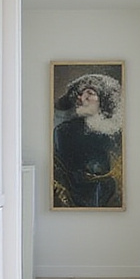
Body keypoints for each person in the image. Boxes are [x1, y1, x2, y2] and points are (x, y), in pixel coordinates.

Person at [53, 73, 123, 208]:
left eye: (89, 93)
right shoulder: (64, 132)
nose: (80, 98)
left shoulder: (117, 136)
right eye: (79, 94)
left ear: (104, 100)